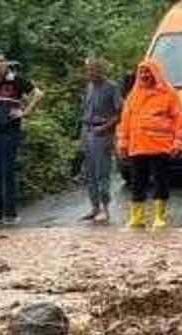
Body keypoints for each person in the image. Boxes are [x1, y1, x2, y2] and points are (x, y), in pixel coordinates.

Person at [0, 52, 45, 225]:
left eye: (0, 61)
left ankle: (10, 214)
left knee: (7, 172)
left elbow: (38, 94)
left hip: (9, 131)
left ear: (6, 63)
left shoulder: (15, 80)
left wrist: (25, 112)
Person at [116, 59, 182, 229]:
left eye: (148, 72)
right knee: (136, 183)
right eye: (141, 72)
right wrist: (122, 142)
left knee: (160, 182)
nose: (144, 75)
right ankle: (137, 218)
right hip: (137, 147)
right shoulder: (133, 95)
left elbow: (180, 120)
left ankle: (159, 217)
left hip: (160, 147)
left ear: (156, 73)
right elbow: (125, 121)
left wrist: (178, 142)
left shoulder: (169, 94)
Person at [79, 58, 123, 224]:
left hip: (102, 133)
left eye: (93, 70)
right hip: (87, 131)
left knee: (102, 173)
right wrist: (80, 136)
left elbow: (120, 113)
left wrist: (104, 127)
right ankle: (94, 207)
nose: (90, 73)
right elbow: (85, 112)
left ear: (101, 71)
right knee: (89, 173)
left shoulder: (111, 87)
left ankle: (105, 208)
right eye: (88, 70)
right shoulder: (89, 87)